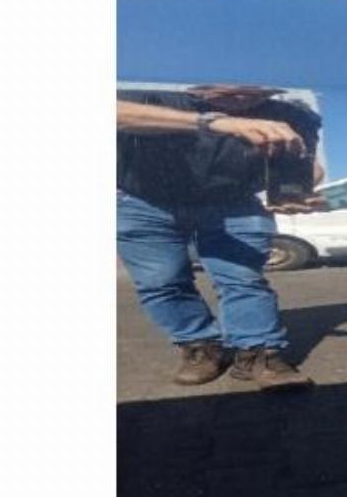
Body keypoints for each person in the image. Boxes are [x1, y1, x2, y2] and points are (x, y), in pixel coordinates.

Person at [116, 84, 325, 389]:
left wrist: (296, 190)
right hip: (144, 201)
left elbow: (305, 164)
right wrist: (215, 122)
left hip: (234, 202)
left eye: (254, 90)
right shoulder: (147, 90)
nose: (240, 95)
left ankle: (258, 353)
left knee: (242, 278)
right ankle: (200, 345)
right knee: (161, 281)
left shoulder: (292, 114)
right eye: (226, 89)